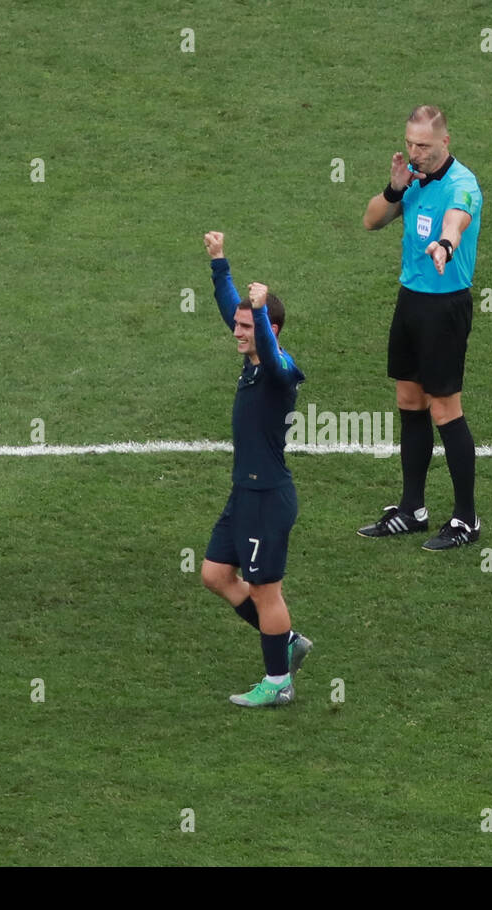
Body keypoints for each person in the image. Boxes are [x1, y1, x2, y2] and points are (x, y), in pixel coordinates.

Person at [357, 105, 484, 551]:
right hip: (410, 301)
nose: (416, 153)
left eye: (424, 146)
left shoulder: (462, 184)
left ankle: (466, 519)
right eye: (410, 144)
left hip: (445, 308)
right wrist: (394, 189)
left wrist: (446, 245)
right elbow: (372, 220)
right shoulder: (411, 179)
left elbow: (457, 218)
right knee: (409, 401)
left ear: (444, 143)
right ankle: (412, 509)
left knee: (445, 409)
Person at [199, 230, 312, 707]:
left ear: (270, 328)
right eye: (239, 325)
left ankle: (278, 681)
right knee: (215, 573)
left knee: (266, 590)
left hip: (268, 497)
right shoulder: (250, 360)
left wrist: (261, 313)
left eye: (248, 326)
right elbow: (233, 311)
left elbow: (270, 349)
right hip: (244, 492)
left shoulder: (278, 370)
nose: (238, 331)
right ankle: (285, 642)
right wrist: (220, 263)